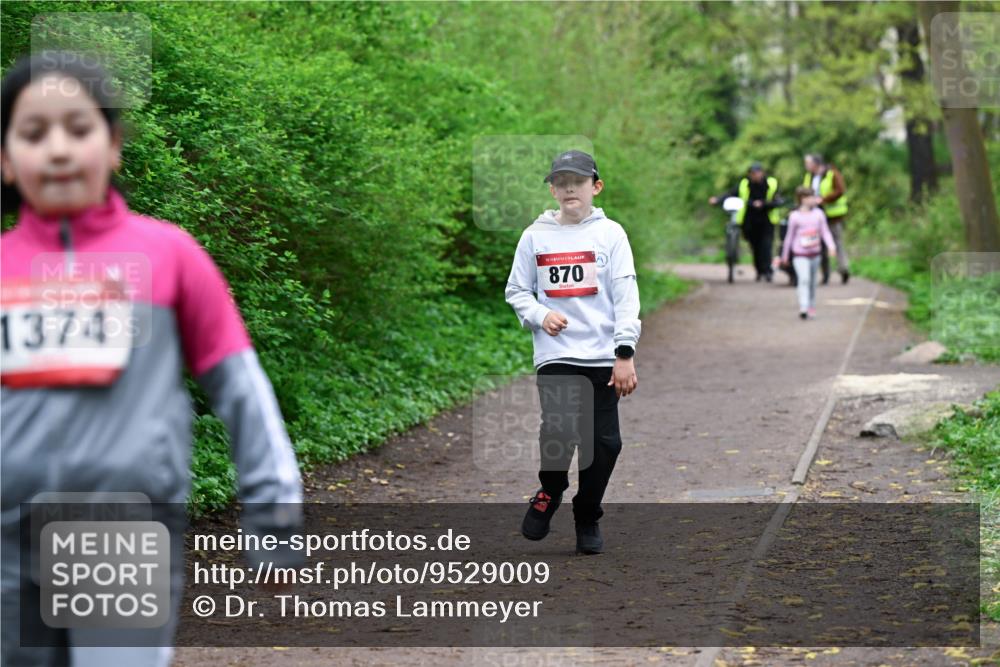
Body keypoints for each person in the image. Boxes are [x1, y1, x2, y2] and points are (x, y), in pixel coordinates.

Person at [1, 52, 303, 666]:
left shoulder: (170, 256)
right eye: (33, 133)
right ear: (6, 159)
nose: (58, 149)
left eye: (79, 129)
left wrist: (273, 516)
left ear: (113, 146)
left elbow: (242, 392)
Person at [505, 150, 640, 555]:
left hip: (602, 355)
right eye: (561, 181)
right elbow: (516, 291)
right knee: (560, 432)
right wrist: (540, 313)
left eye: (577, 181)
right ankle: (550, 491)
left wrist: (625, 351)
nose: (569, 188)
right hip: (557, 354)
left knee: (605, 445)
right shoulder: (535, 236)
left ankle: (587, 513)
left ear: (595, 187)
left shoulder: (611, 234)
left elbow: (626, 294)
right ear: (552, 189)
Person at [709, 162, 783, 282]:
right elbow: (730, 194)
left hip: (767, 220)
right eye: (752, 173)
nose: (755, 175)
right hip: (749, 221)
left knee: (766, 246)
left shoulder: (772, 183)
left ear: (762, 173)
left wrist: (763, 204)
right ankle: (759, 271)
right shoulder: (744, 184)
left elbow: (778, 199)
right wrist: (717, 199)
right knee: (755, 247)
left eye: (757, 173)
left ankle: (767, 271)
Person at [780, 186, 837, 320]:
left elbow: (825, 232)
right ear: (802, 199)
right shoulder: (794, 216)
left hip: (815, 254)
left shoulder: (818, 214)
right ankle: (803, 306)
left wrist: (831, 246)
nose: (814, 199)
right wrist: (785, 256)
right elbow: (789, 237)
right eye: (810, 197)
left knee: (812, 282)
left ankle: (811, 305)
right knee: (804, 279)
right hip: (799, 254)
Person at [802, 153, 850, 284]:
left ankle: (843, 268)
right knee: (820, 245)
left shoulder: (832, 173)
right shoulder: (809, 177)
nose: (806, 166)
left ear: (816, 164)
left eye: (808, 163)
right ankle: (825, 274)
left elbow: (840, 190)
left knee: (836, 242)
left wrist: (823, 199)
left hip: (833, 216)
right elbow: (805, 193)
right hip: (816, 215)